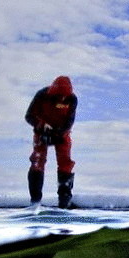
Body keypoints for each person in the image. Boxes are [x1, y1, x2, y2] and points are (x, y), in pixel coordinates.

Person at [25, 75, 77, 208]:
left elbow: (69, 122)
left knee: (66, 162)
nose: (62, 99)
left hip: (62, 133)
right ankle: (35, 200)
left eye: (65, 97)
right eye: (60, 96)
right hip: (42, 132)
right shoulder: (42, 95)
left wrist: (59, 133)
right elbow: (29, 116)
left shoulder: (72, 100)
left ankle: (64, 199)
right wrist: (42, 126)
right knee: (38, 161)